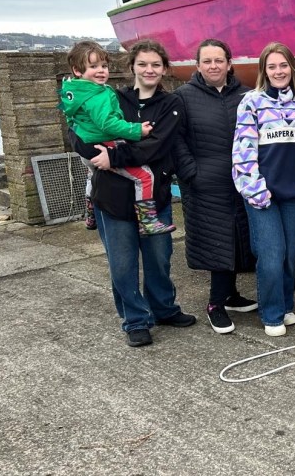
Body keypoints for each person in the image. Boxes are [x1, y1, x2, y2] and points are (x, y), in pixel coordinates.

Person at [71, 39, 196, 347]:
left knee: (159, 259)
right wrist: (88, 150)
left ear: (164, 69)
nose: (149, 69)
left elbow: (157, 145)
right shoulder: (111, 97)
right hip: (112, 197)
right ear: (131, 68)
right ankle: (135, 320)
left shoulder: (172, 104)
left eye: (156, 64)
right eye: (142, 64)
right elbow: (77, 129)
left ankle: (164, 308)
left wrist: (113, 157)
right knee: (123, 264)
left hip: (154, 196)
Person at [232, 42, 295, 336]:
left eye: (283, 65)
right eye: (272, 66)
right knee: (272, 255)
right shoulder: (251, 102)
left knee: (289, 254)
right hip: (262, 194)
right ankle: (271, 314)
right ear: (264, 70)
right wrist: (255, 190)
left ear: (292, 68)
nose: (278, 71)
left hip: (292, 194)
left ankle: (286, 306)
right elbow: (243, 150)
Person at [173, 39, 258, 335]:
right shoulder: (183, 97)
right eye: (207, 61)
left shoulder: (247, 95)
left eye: (219, 60)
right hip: (203, 183)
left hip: (239, 181)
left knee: (237, 239)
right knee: (216, 242)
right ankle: (214, 304)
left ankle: (231, 294)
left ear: (229, 63)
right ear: (197, 66)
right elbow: (176, 140)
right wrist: (191, 173)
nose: (213, 66)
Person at [60, 40, 175, 235]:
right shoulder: (99, 95)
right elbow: (108, 124)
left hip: (88, 145)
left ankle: (90, 213)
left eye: (104, 66)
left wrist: (81, 139)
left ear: (164, 69)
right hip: (100, 144)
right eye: (94, 66)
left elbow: (71, 118)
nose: (101, 71)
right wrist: (137, 130)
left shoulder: (74, 91)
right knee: (145, 176)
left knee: (91, 174)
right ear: (77, 70)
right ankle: (147, 221)